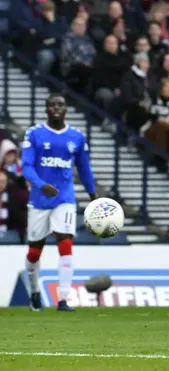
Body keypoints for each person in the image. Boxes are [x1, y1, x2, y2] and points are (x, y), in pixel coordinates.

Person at [21, 94, 97, 312]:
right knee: (35, 252)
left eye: (60, 105)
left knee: (65, 243)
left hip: (64, 198)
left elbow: (84, 168)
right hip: (38, 200)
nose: (56, 108)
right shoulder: (34, 134)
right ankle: (35, 291)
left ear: (66, 109)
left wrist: (92, 195)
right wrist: (39, 184)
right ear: (46, 109)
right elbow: (27, 166)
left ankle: (63, 299)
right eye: (52, 105)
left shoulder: (77, 137)